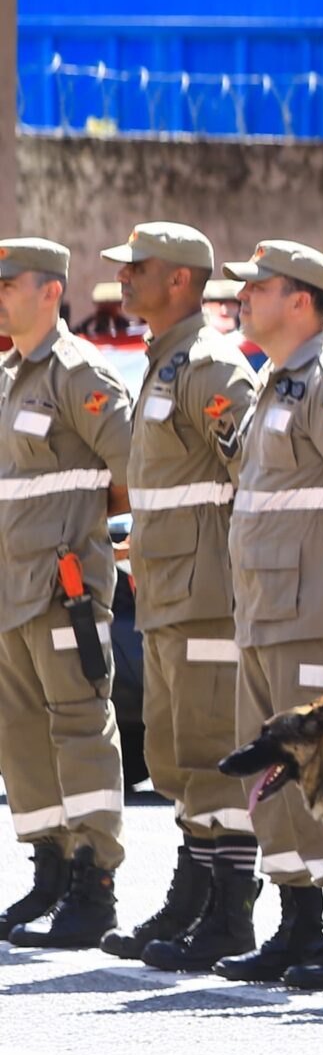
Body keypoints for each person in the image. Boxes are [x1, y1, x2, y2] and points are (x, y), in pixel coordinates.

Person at [213, 240, 323, 989]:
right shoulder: (272, 382)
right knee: (273, 779)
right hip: (263, 613)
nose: (243, 298)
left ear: (300, 301)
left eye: (258, 287)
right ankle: (298, 924)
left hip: (315, 611)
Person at [96, 226, 262, 968]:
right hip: (167, 593)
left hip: (207, 599)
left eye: (139, 268)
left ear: (181, 281)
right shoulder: (163, 361)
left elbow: (253, 478)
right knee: (172, 757)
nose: (124, 279)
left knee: (211, 755)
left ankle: (231, 914)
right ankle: (193, 899)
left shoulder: (211, 366)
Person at [0, 239, 133, 949]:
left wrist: (77, 528)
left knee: (80, 729)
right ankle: (49, 868)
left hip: (64, 590)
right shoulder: (8, 378)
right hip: (9, 592)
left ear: (50, 291)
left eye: (8, 284)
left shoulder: (79, 374)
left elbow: (136, 468)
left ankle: (93, 881)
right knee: (21, 735)